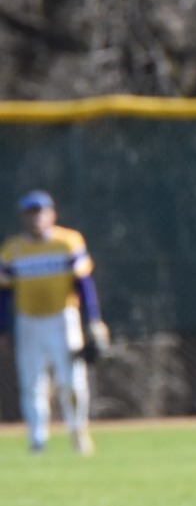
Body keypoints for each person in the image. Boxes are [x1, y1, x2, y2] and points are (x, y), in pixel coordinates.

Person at [2, 191, 109, 455]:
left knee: (72, 380)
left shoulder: (68, 242)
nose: (36, 217)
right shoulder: (12, 249)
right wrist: (2, 329)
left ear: (52, 214)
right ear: (24, 217)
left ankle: (77, 432)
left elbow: (84, 283)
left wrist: (94, 319)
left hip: (63, 318)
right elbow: (3, 293)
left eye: (40, 211)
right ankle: (37, 439)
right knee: (32, 382)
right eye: (31, 213)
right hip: (29, 322)